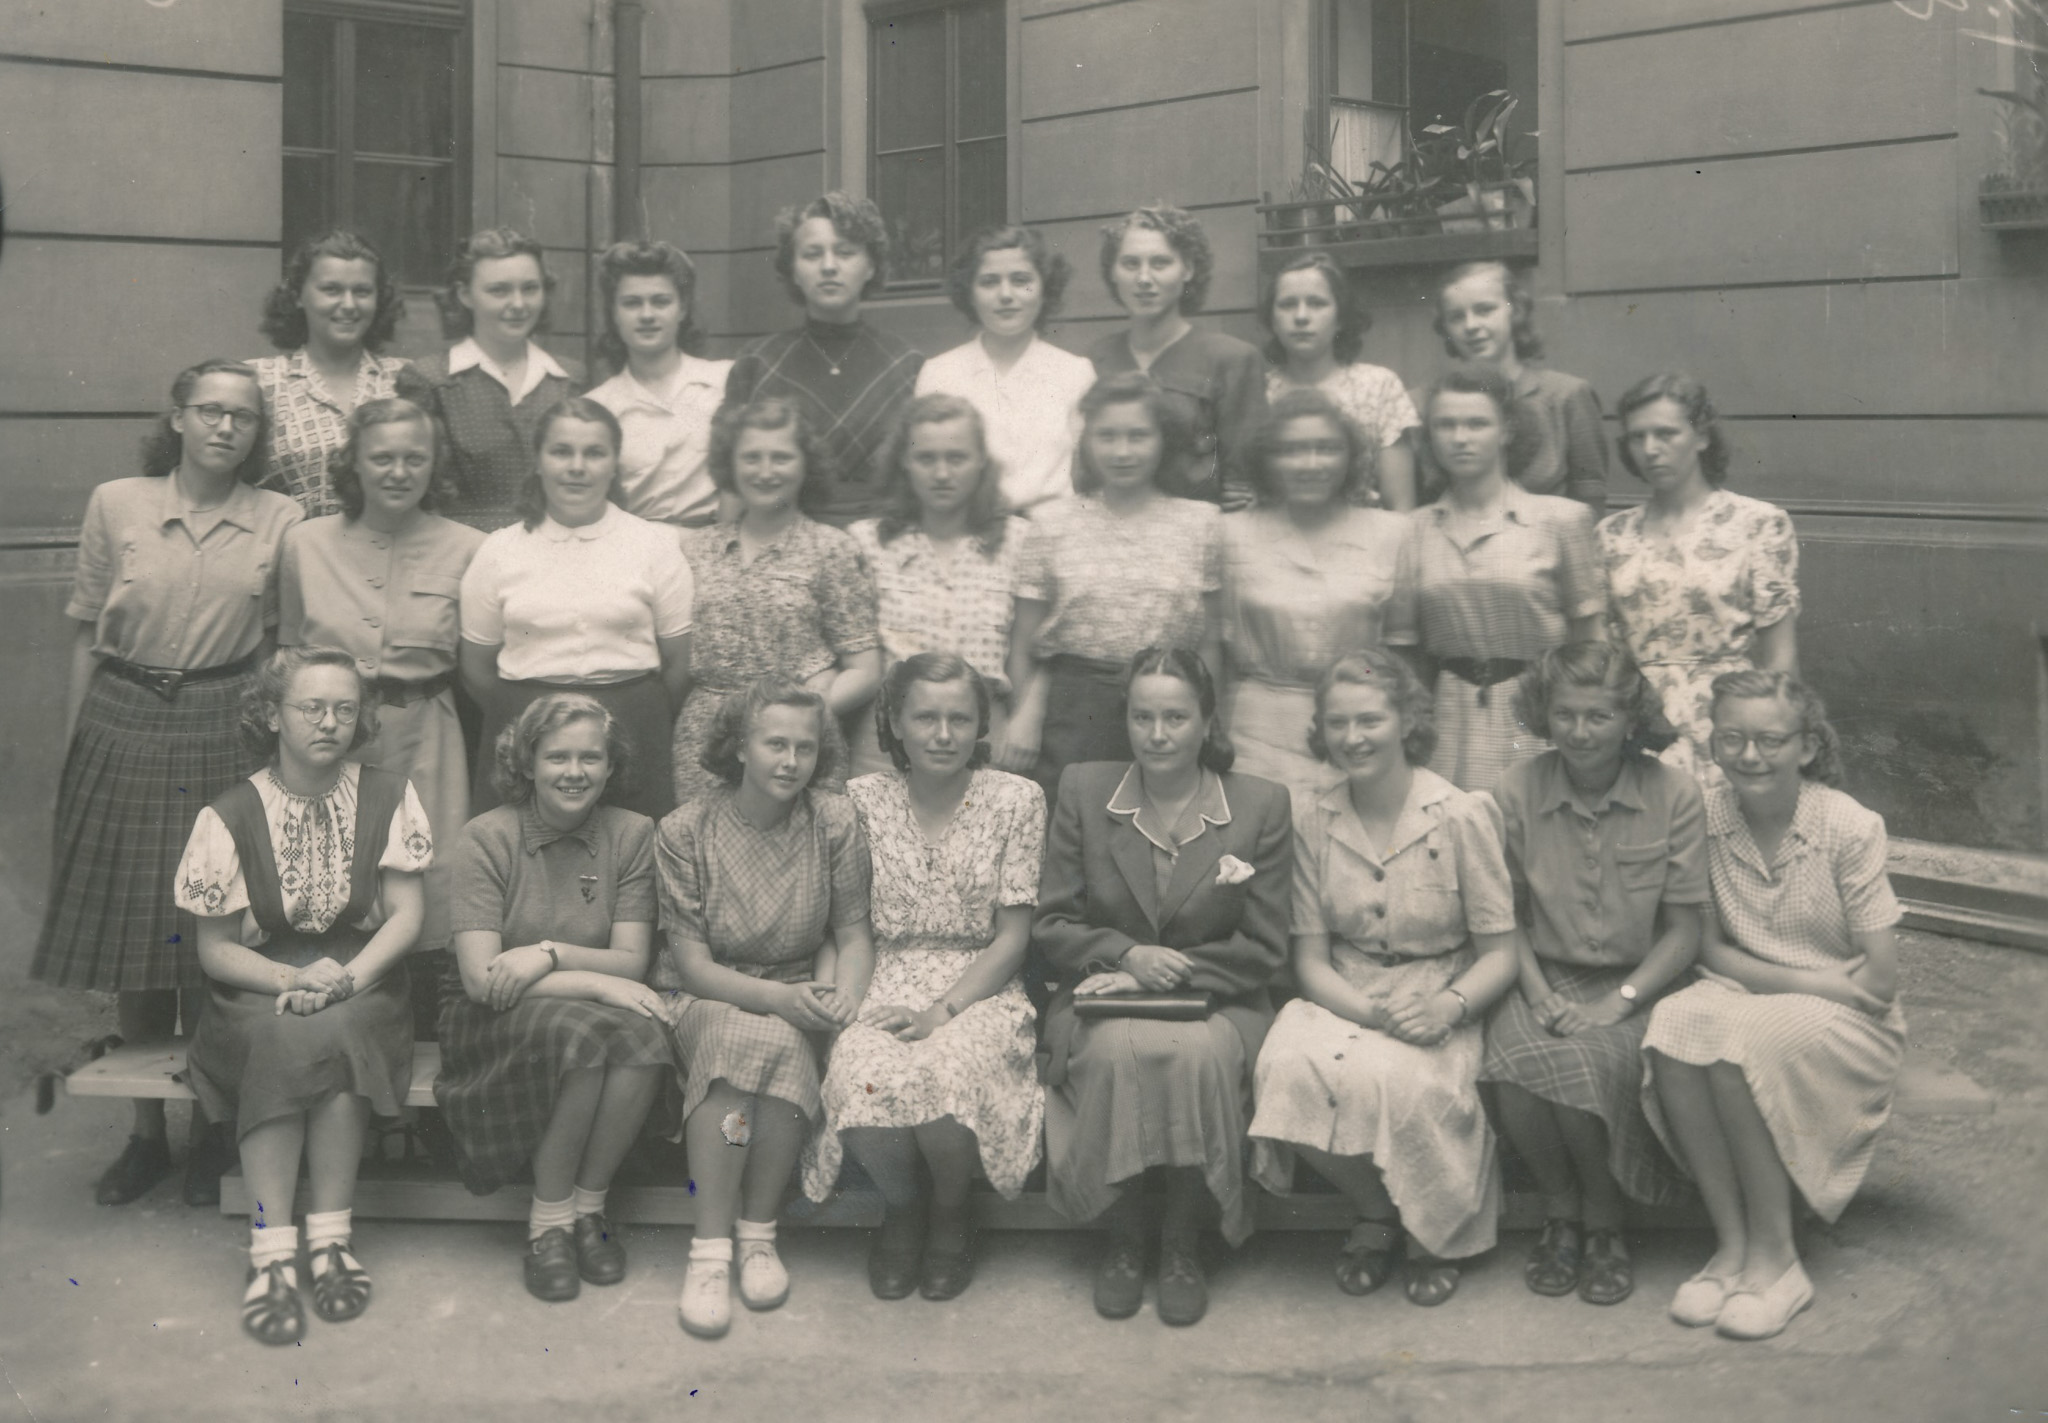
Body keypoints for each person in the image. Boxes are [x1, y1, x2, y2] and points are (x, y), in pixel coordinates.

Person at [31, 359, 302, 1208]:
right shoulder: (117, 502)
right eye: (210, 410)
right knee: (139, 942)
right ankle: (145, 1134)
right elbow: (86, 632)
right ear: (177, 418)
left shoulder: (281, 517)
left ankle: (212, 1131)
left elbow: (274, 646)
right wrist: (77, 746)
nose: (225, 426)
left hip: (227, 717)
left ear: (257, 433)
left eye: (243, 416)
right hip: (125, 711)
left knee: (215, 932)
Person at [174, 646, 433, 1345]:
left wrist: (341, 980)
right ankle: (270, 1254)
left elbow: (406, 917)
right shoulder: (229, 814)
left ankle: (331, 1241)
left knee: (338, 1030)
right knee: (281, 1036)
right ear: (271, 715)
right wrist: (293, 980)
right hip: (256, 984)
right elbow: (215, 951)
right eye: (310, 707)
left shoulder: (389, 795)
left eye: (344, 709)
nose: (329, 722)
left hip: (363, 976)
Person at [1248, 651, 1519, 1309]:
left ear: (1407, 720)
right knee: (1284, 1067)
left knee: (1409, 1083)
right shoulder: (1313, 818)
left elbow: (1501, 954)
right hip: (1348, 990)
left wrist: (1448, 1007)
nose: (1353, 737)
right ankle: (1377, 1209)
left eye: (1370, 719)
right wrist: (1372, 1014)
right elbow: (1310, 961)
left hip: (1441, 988)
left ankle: (1435, 1230)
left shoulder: (1461, 813)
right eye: (1337, 722)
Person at [1643, 670, 1905, 1341]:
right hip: (1786, 989)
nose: (1750, 755)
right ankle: (1731, 1247)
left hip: (1854, 1020)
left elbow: (1878, 980)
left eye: (1771, 740)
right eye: (1732, 738)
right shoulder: (1704, 816)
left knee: (1739, 1046)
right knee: (1674, 1025)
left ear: (1807, 746)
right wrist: (1813, 981)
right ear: (1713, 744)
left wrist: (1811, 989)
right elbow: (1709, 950)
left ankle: (1778, 1259)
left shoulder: (1849, 826)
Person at [1034, 648, 1292, 1327]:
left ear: (1207, 721)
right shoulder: (1086, 790)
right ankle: (1123, 1238)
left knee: (1194, 1055)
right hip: (1104, 992)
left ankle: (1182, 1242)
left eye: (1175, 717)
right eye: (1141, 716)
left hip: (1221, 997)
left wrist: (1168, 969)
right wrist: (1125, 953)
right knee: (1117, 1053)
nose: (1157, 734)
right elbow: (1053, 923)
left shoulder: (1259, 804)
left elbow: (1265, 947)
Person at [806, 655, 1046, 1301]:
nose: (943, 734)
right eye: (926, 718)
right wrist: (844, 1002)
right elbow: (848, 929)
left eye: (959, 718)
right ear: (894, 723)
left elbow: (1013, 937)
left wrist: (942, 1011)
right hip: (880, 976)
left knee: (949, 1074)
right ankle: (903, 1207)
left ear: (981, 724)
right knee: (859, 1074)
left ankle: (950, 1211)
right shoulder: (859, 800)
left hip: (978, 986)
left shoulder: (1016, 799)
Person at [1479, 642, 1707, 1308]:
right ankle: (1561, 1209)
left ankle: (1604, 1217)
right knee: (1513, 1062)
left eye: (1599, 716)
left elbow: (1685, 932)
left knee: (1583, 1063)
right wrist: (1538, 993)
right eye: (1565, 714)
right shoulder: (1515, 790)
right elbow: (1503, 917)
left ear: (1630, 719)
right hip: (1540, 970)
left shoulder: (1675, 793)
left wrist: (1622, 1000)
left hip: (1645, 979)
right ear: (1543, 714)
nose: (1579, 732)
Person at [654, 679, 876, 1339]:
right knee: (737, 1056)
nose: (791, 761)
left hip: (800, 988)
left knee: (780, 1050)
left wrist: (842, 1000)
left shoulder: (833, 820)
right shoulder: (686, 829)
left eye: (805, 747)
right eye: (775, 744)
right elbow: (693, 966)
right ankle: (709, 1251)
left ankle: (758, 1234)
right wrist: (782, 1001)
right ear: (739, 748)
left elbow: (854, 934)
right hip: (710, 994)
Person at [435, 694, 673, 1303]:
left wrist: (548, 953)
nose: (575, 772)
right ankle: (548, 1226)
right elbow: (481, 979)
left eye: (590, 757)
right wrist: (595, 981)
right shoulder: (486, 837)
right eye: (557, 757)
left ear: (611, 765)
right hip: (489, 1014)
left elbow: (631, 961)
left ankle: (588, 1210)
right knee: (583, 1038)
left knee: (647, 1035)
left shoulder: (632, 834)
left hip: (576, 1002)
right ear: (527, 763)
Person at [280, 397, 484, 962]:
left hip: (427, 734)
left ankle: (426, 1002)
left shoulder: (470, 548)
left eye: (415, 459)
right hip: (328, 735)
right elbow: (288, 653)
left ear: (434, 465)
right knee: (327, 865)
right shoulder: (304, 544)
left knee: (431, 868)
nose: (399, 472)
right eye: (382, 458)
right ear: (355, 463)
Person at [459, 397, 694, 820]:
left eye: (594, 453)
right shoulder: (499, 550)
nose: (577, 467)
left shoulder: (654, 545)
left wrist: (634, 710)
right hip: (525, 724)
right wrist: (528, 714)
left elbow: (678, 665)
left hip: (631, 727)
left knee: (630, 850)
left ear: (615, 463)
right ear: (538, 461)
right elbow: (476, 668)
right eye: (561, 451)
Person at [1384, 363, 1606, 794]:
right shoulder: (1413, 530)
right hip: (1449, 724)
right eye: (1445, 425)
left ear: (1507, 430)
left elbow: (1591, 641)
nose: (1460, 437)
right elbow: (1405, 656)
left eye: (1477, 423)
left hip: (1541, 718)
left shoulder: (1561, 520)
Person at [1008, 374, 1225, 802]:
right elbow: (1022, 644)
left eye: (1138, 436)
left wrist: (1206, 720)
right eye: (1106, 436)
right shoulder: (1050, 523)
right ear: (1086, 442)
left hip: (1169, 707)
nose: (1122, 451)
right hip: (1074, 712)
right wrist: (1024, 715)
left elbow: (1210, 642)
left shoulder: (1202, 523)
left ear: (1164, 440)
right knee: (1075, 823)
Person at [672, 396, 881, 806]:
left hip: (795, 745)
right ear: (730, 465)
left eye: (781, 458)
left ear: (806, 465)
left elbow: (865, 669)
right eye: (751, 458)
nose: (765, 471)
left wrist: (803, 711)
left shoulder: (831, 549)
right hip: (707, 741)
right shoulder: (696, 549)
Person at [1598, 374, 1801, 780]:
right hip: (1639, 726)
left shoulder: (1757, 524)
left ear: (1702, 437)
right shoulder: (1611, 535)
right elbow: (1604, 653)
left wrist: (1765, 739)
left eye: (1666, 433)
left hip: (1729, 723)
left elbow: (1780, 658)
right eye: (1637, 437)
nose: (1650, 449)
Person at [1221, 390, 1411, 805]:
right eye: (1291, 450)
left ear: (1351, 458)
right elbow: (1215, 651)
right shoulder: (1231, 533)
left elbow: (1404, 653)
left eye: (1327, 449)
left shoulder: (1393, 534)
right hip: (1256, 731)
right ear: (1267, 460)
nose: (1310, 464)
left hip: (1357, 732)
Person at [847, 394, 1030, 776]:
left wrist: (1023, 720)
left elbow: (1027, 652)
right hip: (888, 738)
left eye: (956, 458)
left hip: (983, 732)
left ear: (981, 461)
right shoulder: (866, 542)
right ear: (904, 462)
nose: (942, 473)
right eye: (926, 458)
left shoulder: (1018, 541)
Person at [723, 193, 924, 526]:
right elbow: (732, 486)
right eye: (812, 254)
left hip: (883, 539)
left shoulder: (906, 365)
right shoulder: (758, 362)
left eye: (845, 252)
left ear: (871, 266)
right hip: (781, 538)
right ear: (793, 270)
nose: (829, 266)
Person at [1086, 206, 1266, 509]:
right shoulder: (1096, 359)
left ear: (1188, 269)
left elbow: (1245, 485)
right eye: (1130, 264)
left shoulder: (1231, 360)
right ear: (1113, 273)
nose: (1144, 278)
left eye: (1160, 263)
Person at [914, 225, 1096, 515]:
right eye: (989, 282)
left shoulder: (1075, 373)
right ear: (970, 293)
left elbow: (1089, 475)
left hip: (1054, 533)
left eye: (1021, 280)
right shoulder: (939, 373)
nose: (1006, 295)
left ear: (1044, 288)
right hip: (970, 531)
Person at [398, 228, 572, 524]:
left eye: (530, 288)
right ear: (465, 294)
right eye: (499, 290)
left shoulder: (568, 379)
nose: (518, 304)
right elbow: (419, 492)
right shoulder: (430, 380)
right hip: (467, 544)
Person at [251, 229, 410, 516]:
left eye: (362, 291)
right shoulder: (260, 381)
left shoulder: (407, 379)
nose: (348, 305)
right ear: (298, 296)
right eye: (331, 290)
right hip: (291, 543)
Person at [1428, 260, 1607, 514]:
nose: (1471, 326)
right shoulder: (1428, 404)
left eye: (1484, 310)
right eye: (1456, 317)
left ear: (1515, 311)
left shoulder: (1566, 396)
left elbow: (1590, 501)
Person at [585, 239, 735, 530]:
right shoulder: (598, 407)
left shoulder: (725, 382)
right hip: (635, 546)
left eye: (661, 301)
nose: (647, 315)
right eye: (632, 303)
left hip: (717, 540)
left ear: (682, 309)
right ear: (614, 314)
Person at [1260, 251, 1418, 510]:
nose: (1301, 316)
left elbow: (1401, 507)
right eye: (1287, 304)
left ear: (1341, 318)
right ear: (1272, 320)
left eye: (1317, 303)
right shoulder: (1258, 391)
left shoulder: (1379, 386)